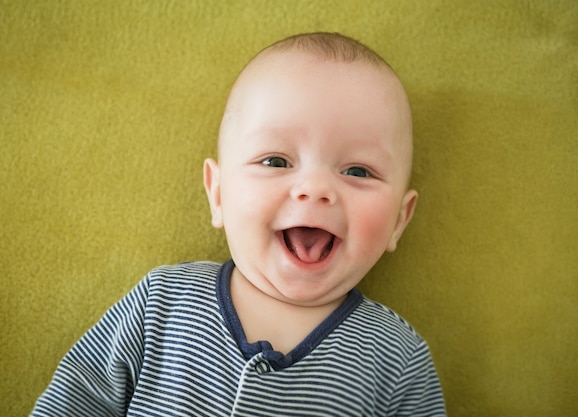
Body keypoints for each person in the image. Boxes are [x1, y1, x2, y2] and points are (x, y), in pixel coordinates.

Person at [30, 32, 446, 416]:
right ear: (219, 194)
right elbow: (74, 400)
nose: (316, 189)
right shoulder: (161, 304)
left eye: (357, 171)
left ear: (398, 220)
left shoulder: (396, 358)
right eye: (275, 161)